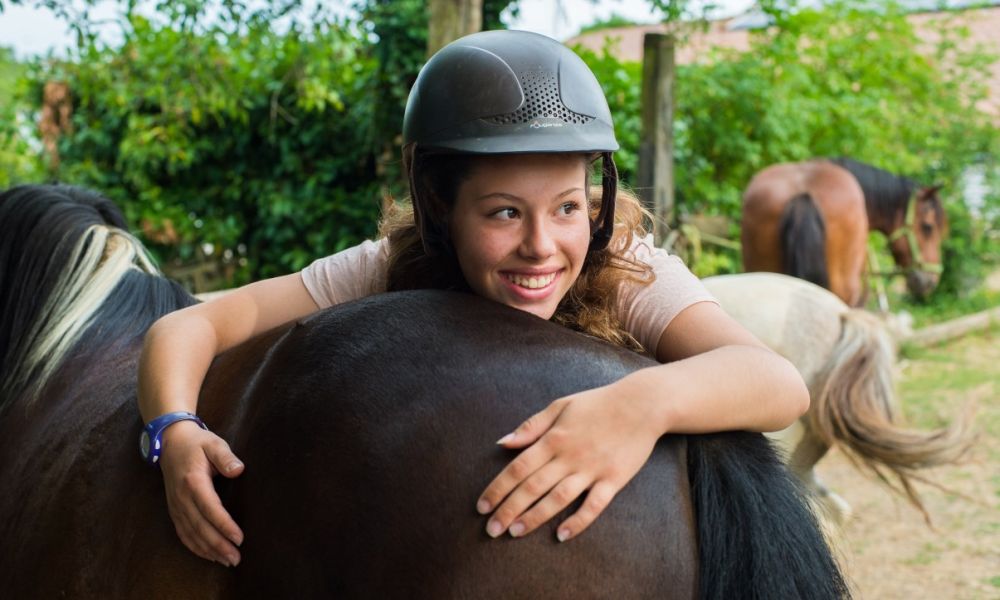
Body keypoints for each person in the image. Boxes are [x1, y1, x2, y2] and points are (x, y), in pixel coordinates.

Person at [137, 30, 808, 568]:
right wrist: (173, 431)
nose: (543, 247)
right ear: (439, 206)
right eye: (504, 213)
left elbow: (777, 383)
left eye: (568, 207)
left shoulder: (625, 268)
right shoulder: (386, 268)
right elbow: (190, 327)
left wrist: (640, 405)